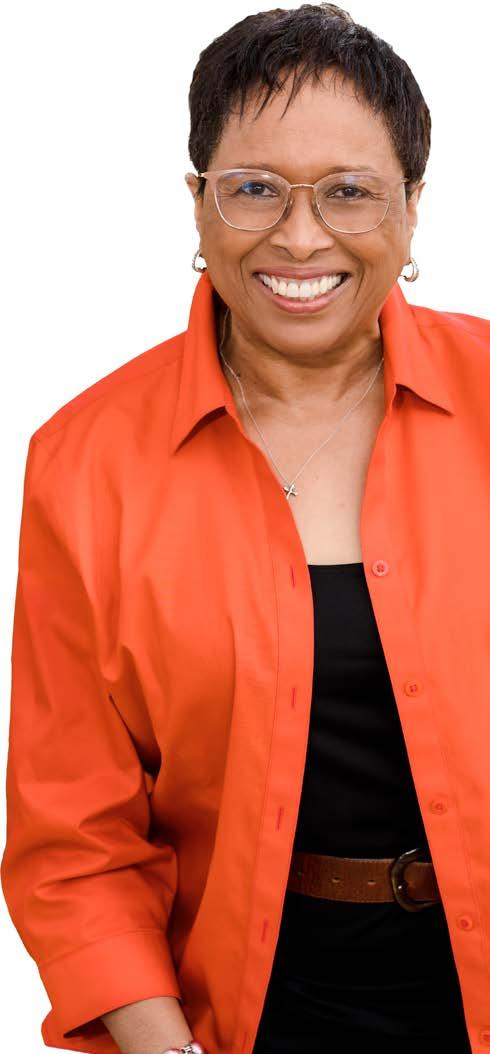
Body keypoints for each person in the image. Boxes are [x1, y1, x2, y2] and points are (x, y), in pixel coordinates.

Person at [1, 3, 488, 1053]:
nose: (301, 238)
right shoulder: (85, 464)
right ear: (198, 203)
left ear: (412, 208)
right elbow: (76, 841)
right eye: (256, 188)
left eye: (349, 192)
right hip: (236, 1022)